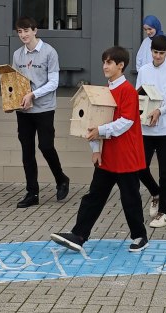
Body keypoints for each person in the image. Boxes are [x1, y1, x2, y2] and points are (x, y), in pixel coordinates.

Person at [50, 47, 150, 255]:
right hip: (107, 155)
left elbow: (126, 122)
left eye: (109, 62)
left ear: (121, 65)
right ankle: (79, 235)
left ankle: (140, 236)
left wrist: (101, 131)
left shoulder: (128, 91)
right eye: (104, 62)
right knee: (94, 196)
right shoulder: (104, 91)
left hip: (127, 156)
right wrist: (96, 149)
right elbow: (94, 121)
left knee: (130, 198)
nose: (105, 66)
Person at [11, 17, 71, 209]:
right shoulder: (17, 55)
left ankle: (61, 179)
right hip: (24, 110)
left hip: (44, 108)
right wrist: (13, 100)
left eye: (26, 31)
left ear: (35, 30)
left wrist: (33, 95)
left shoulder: (49, 52)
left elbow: (54, 83)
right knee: (27, 150)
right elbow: (15, 81)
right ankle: (32, 193)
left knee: (46, 146)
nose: (23, 35)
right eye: (20, 32)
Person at [135, 35, 166, 228]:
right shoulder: (144, 70)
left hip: (165, 129)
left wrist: (159, 111)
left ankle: (164, 212)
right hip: (145, 128)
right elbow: (138, 96)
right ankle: (155, 192)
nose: (158, 56)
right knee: (139, 167)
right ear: (151, 51)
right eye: (155, 52)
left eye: (162, 53)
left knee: (165, 172)